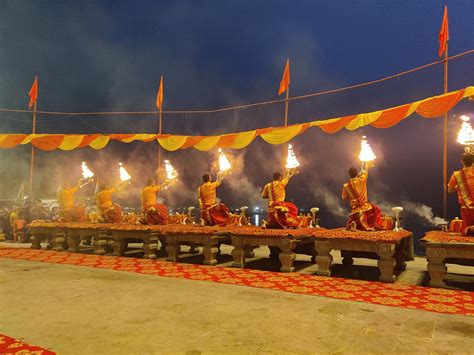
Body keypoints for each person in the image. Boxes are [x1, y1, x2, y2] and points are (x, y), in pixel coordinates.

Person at [342, 165, 382, 231]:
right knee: (376, 210)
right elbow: (365, 171)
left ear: (349, 175)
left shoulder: (346, 186)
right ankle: (372, 226)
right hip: (365, 207)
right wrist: (363, 164)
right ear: (357, 173)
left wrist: (352, 197)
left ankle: (353, 225)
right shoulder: (362, 180)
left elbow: (344, 197)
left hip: (355, 209)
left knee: (359, 220)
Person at [448, 153, 474, 236]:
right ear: (473, 162)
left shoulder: (457, 175)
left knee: (466, 231)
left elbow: (450, 190)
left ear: (462, 161)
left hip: (466, 208)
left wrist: (459, 187)